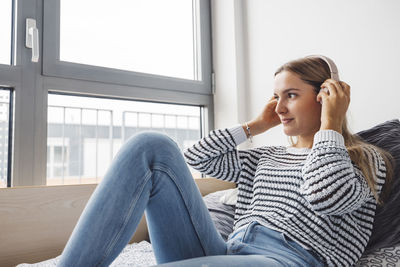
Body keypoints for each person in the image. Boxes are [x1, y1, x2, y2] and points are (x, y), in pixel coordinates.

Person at [58, 55, 393, 267]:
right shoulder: (266, 158)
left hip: (285, 259)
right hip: (225, 249)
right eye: (275, 97)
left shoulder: (364, 159)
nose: (278, 107)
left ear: (325, 95)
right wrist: (256, 126)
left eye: (290, 95)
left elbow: (327, 195)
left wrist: (330, 125)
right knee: (152, 146)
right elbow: (197, 157)